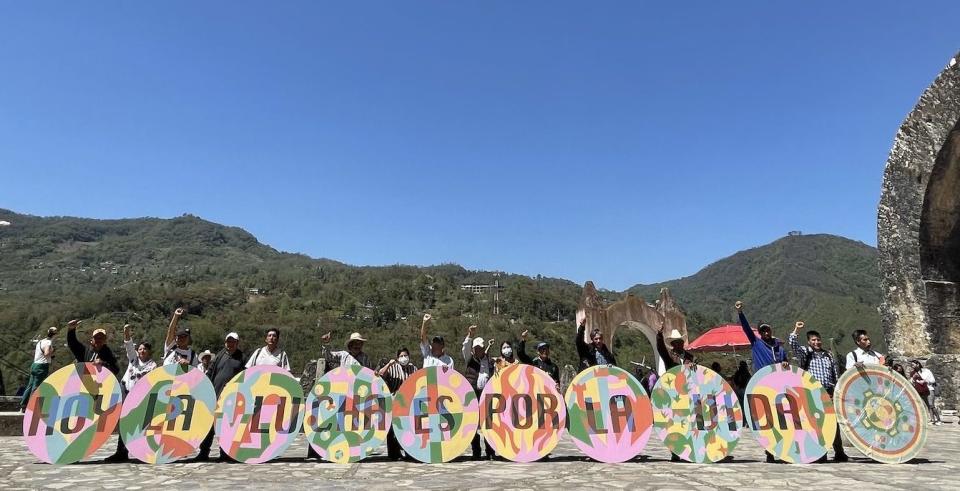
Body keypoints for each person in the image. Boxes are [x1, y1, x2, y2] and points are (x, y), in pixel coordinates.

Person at [788, 321, 848, 462]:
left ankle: (839, 451)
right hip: (812, 393)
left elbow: (835, 374)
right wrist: (797, 329)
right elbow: (793, 344)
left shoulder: (828, 355)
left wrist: (837, 389)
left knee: (833, 424)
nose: (817, 342)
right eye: (813, 340)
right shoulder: (806, 354)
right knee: (817, 424)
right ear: (809, 342)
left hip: (829, 393)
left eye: (818, 339)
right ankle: (821, 452)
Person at [65, 319, 124, 462]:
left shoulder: (107, 353)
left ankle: (120, 452)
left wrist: (103, 364)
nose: (98, 340)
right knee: (78, 424)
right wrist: (71, 329)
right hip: (83, 393)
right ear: (91, 340)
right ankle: (73, 452)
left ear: (105, 341)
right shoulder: (84, 351)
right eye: (96, 337)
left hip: (100, 395)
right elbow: (73, 344)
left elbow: (115, 369)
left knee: (96, 424)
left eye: (101, 338)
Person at [197, 332, 245, 461]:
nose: (230, 344)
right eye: (228, 341)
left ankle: (225, 452)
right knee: (209, 425)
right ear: (225, 342)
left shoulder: (241, 357)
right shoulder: (220, 355)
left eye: (233, 341)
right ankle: (204, 452)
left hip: (231, 398)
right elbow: (211, 371)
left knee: (226, 425)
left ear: (237, 343)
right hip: (215, 394)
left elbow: (244, 376)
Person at [461, 324, 495, 460]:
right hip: (472, 395)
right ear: (473, 350)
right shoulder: (469, 359)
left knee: (488, 424)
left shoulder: (490, 361)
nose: (478, 350)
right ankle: (476, 451)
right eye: (476, 348)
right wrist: (470, 335)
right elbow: (465, 348)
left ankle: (490, 451)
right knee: (472, 424)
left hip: (486, 395)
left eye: (480, 348)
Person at [377, 347, 417, 460]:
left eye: (405, 355)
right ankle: (394, 453)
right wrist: (389, 364)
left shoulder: (413, 368)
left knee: (408, 427)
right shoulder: (393, 368)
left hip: (409, 403)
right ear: (397, 357)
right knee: (393, 429)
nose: (404, 358)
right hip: (394, 400)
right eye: (401, 356)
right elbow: (380, 374)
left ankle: (410, 452)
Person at [20, 326, 57, 412]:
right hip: (42, 366)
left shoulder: (40, 342)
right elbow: (47, 353)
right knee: (37, 387)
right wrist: (53, 351)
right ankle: (32, 407)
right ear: (55, 335)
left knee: (30, 386)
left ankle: (23, 405)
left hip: (34, 365)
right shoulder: (48, 343)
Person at [120, 323, 157, 393]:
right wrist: (126, 332)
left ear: (149, 351)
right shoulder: (133, 358)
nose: (142, 351)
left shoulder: (153, 365)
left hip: (138, 394)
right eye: (140, 349)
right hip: (124, 389)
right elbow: (129, 346)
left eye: (145, 349)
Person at [910, 360, 942, 425]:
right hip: (921, 390)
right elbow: (911, 382)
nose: (912, 366)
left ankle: (938, 420)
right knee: (928, 406)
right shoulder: (913, 373)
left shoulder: (927, 371)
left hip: (929, 389)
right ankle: (932, 420)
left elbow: (933, 380)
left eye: (913, 365)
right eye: (911, 365)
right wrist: (914, 377)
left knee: (931, 405)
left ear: (918, 364)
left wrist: (925, 381)